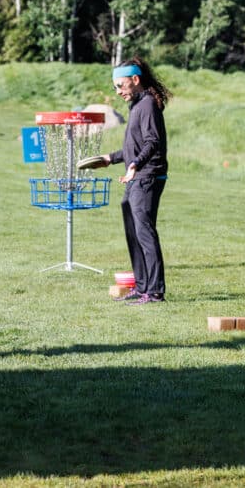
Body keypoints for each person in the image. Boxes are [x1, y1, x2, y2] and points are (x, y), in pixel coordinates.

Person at [97, 58, 171, 305]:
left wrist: (135, 165)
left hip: (147, 176)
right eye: (115, 87)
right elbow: (134, 147)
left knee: (144, 232)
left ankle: (155, 291)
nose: (118, 92)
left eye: (121, 85)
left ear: (135, 80)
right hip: (137, 175)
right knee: (133, 231)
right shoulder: (137, 105)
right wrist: (110, 158)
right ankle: (142, 287)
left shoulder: (148, 104)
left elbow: (152, 142)